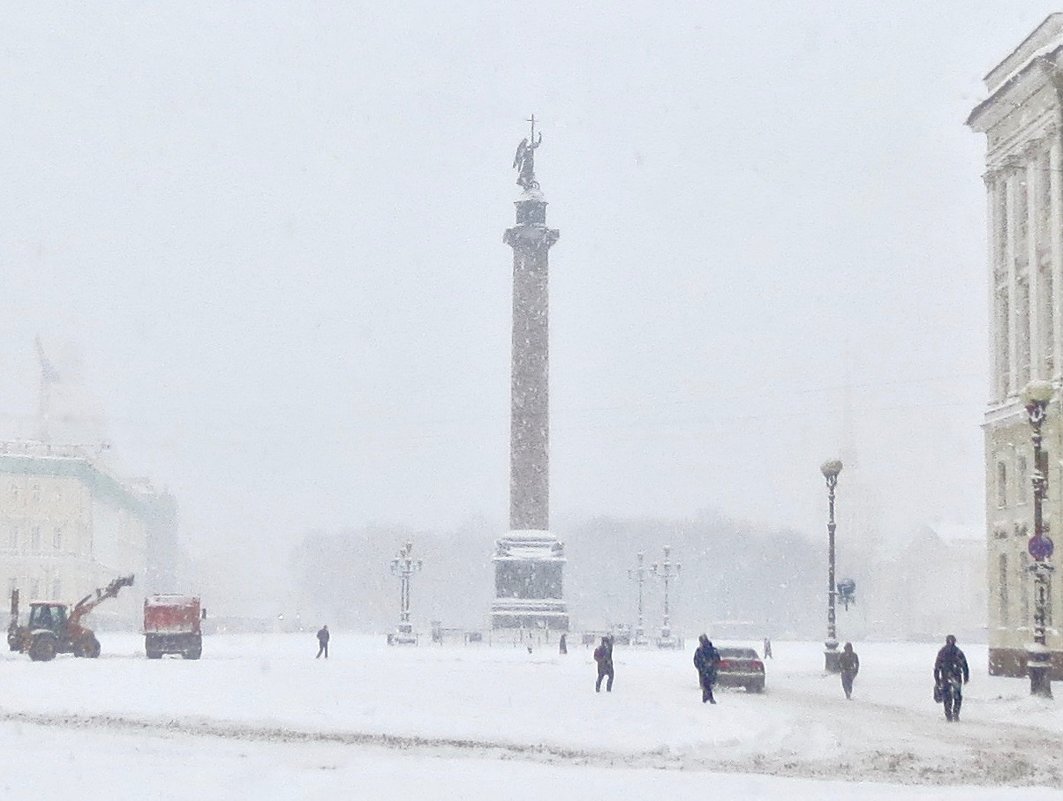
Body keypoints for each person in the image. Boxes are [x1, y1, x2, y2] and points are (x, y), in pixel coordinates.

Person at [934, 634, 969, 721]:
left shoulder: (942, 652)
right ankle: (955, 714)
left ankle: (948, 715)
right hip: (956, 677)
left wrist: (937, 679)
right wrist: (966, 676)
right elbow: (964, 665)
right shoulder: (958, 652)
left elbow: (937, 666)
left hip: (946, 677)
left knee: (947, 697)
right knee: (957, 696)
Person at [693, 634, 721, 704]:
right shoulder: (712, 650)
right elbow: (717, 659)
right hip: (708, 670)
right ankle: (707, 698)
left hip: (707, 670)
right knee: (707, 684)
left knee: (706, 684)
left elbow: (696, 660)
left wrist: (701, 666)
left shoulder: (701, 650)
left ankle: (708, 698)